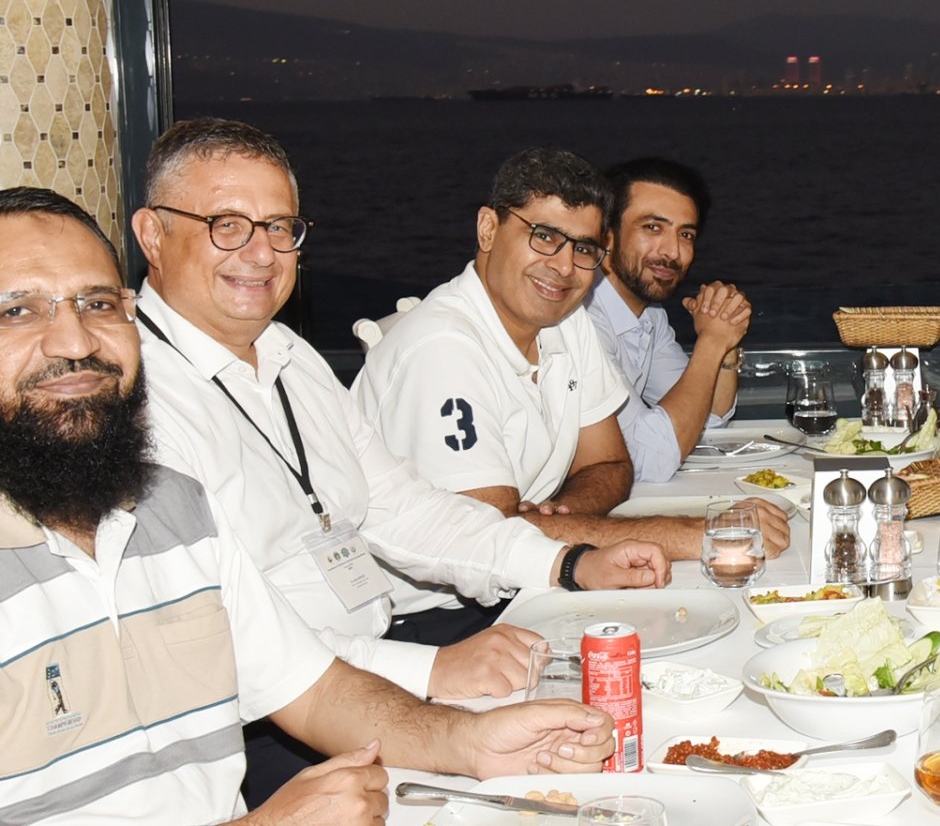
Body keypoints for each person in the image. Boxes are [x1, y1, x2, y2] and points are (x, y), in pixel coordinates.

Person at [0, 187, 616, 825]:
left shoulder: (171, 508)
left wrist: (470, 743)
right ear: (153, 237)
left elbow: (315, 690)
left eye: (98, 304)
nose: (74, 340)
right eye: (17, 310)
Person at [126, 119, 668, 805]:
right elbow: (241, 648)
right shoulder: (132, 407)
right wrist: (431, 670)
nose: (262, 253)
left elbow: (402, 507)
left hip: (369, 672)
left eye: (280, 227)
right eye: (227, 225)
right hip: (262, 733)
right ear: (152, 234)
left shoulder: (294, 361)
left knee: (620, 727)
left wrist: (566, 562)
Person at [355, 148, 790, 570]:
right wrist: (697, 534)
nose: (564, 267)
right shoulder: (444, 349)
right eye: (544, 236)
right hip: (440, 607)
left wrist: (556, 515)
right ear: (487, 229)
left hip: (523, 573)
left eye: (582, 248)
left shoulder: (566, 321)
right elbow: (485, 540)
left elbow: (610, 465)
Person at [582, 157, 751, 482]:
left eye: (685, 234)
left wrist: (726, 336)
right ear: (606, 237)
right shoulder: (582, 320)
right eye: (652, 228)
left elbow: (708, 417)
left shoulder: (650, 317)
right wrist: (712, 341)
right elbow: (648, 460)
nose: (673, 252)